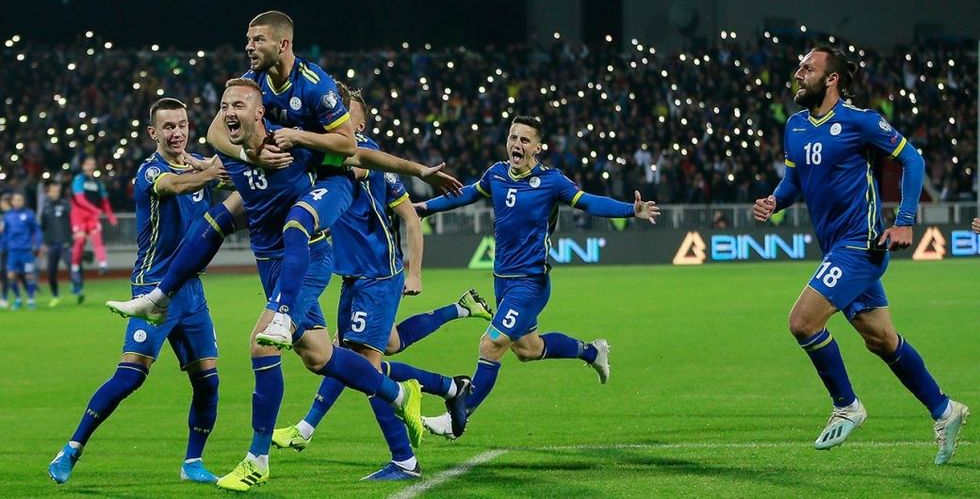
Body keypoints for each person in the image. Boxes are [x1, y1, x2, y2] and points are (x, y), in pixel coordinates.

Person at [107, 10, 459, 326]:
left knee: (298, 223)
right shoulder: (254, 81)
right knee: (216, 220)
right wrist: (252, 158)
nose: (249, 47)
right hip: (284, 176)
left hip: (327, 180)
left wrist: (299, 135)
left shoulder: (315, 88)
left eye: (257, 40)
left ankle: (284, 314)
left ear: (283, 43)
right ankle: (159, 296)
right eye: (248, 40)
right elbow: (215, 131)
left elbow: (352, 149)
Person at [199, 79, 428, 492]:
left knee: (263, 343)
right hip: (311, 267)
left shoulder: (340, 151)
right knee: (321, 355)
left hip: (356, 271)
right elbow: (217, 131)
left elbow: (371, 161)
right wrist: (244, 155)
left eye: (352, 126)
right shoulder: (291, 138)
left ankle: (258, 459)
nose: (348, 134)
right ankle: (402, 396)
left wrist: (419, 171)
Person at [751, 46, 968, 465]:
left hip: (861, 245)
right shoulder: (795, 126)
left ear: (831, 79)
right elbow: (794, 181)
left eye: (807, 68)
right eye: (799, 67)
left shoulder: (859, 121)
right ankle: (945, 410)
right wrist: (774, 202)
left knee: (802, 322)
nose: (798, 74)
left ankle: (846, 405)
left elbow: (912, 159)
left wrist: (905, 219)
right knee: (882, 340)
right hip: (836, 247)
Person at [270, 86, 490, 480]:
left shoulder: (363, 158)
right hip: (351, 277)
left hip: (377, 277)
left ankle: (404, 459)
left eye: (345, 116)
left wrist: (415, 270)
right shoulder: (329, 152)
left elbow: (408, 216)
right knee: (359, 356)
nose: (336, 122)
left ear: (360, 122)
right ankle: (451, 387)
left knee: (365, 367)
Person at [415, 115, 660, 437]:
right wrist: (423, 208)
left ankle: (458, 416)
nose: (517, 144)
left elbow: (587, 202)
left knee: (491, 344)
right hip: (503, 279)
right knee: (527, 349)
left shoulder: (552, 181)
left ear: (538, 148)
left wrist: (631, 210)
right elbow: (464, 195)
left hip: (530, 283)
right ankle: (591, 351)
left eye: (525, 140)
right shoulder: (496, 174)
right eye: (513, 138)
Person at [48, 97, 225, 485]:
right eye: (168, 127)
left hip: (192, 291)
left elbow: (235, 177)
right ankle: (71, 449)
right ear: (153, 133)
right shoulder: (150, 172)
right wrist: (212, 171)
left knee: (208, 381)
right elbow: (176, 185)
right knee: (131, 376)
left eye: (181, 125)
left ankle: (192, 463)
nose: (176, 132)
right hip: (153, 288)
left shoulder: (199, 163)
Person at [70, 156, 118, 277]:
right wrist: (95, 209)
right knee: (80, 240)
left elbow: (105, 201)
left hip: (92, 215)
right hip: (79, 213)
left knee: (97, 238)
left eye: (92, 164)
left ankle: (103, 265)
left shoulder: (98, 182)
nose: (91, 166)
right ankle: (74, 267)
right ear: (83, 166)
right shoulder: (79, 179)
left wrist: (111, 216)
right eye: (88, 164)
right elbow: (79, 199)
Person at [40, 181, 82, 306]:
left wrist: (75, 233)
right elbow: (43, 226)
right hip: (52, 244)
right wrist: (43, 242)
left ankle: (76, 288)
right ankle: (55, 296)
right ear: (48, 192)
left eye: (57, 191)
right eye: (53, 190)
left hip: (65, 243)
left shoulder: (66, 205)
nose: (55, 193)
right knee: (51, 272)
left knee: (72, 265)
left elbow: (74, 221)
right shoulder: (45, 207)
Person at [2, 192, 41, 310]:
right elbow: (5, 233)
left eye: (19, 200)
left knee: (29, 275)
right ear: (12, 202)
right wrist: (3, 246)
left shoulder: (29, 214)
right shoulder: (7, 216)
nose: (17, 202)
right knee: (10, 275)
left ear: (23, 201)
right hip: (13, 252)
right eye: (15, 200)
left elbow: (36, 230)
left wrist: (37, 244)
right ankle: (18, 298)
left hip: (26, 251)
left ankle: (31, 299)